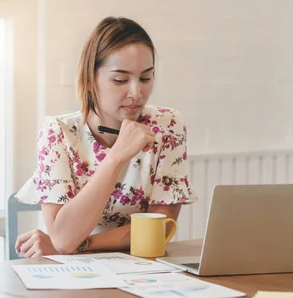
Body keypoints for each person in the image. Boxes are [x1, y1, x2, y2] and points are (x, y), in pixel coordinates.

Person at [14, 16, 198, 258]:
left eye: (145, 78)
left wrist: (81, 245)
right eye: (120, 80)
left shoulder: (167, 126)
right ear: (91, 79)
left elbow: (158, 229)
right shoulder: (58, 132)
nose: (137, 92)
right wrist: (117, 157)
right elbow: (63, 236)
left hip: (141, 269)